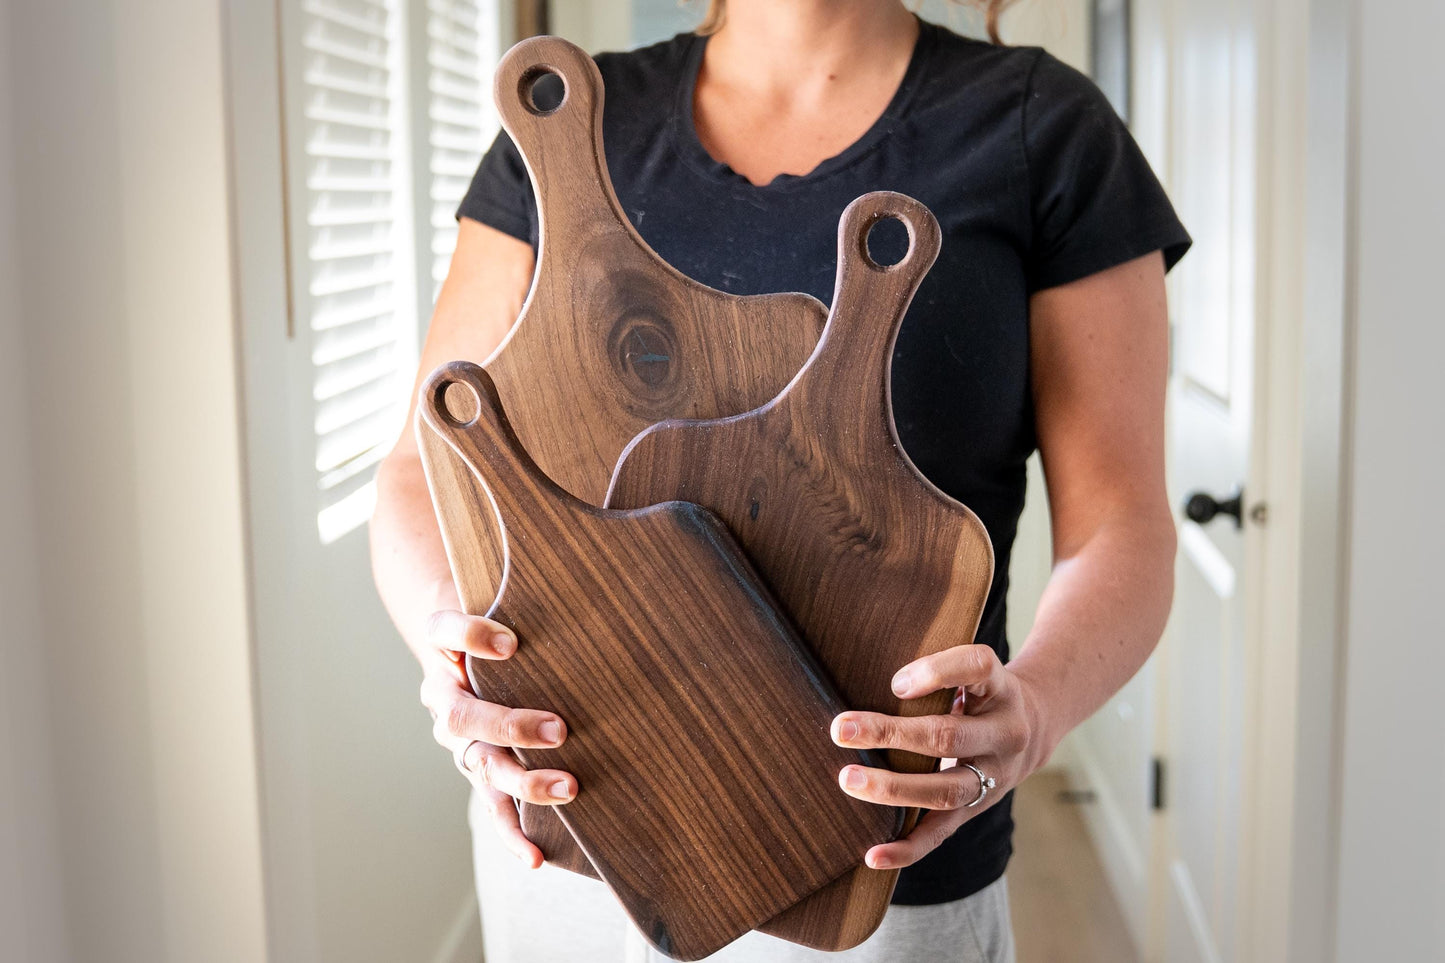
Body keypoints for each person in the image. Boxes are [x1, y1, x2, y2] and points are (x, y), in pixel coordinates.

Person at [371, 1, 1190, 959]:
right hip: (567, 843)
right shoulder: (573, 129)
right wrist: (453, 650)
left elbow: (1121, 525)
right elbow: (422, 471)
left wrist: (1038, 708)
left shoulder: (1040, 129)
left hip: (876, 870)